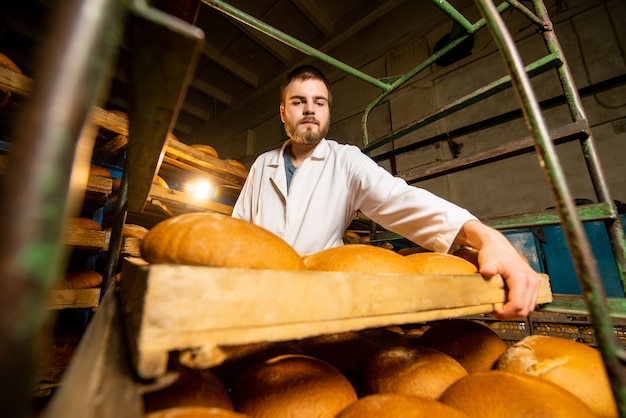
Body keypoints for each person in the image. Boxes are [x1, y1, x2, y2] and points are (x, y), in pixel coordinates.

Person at [232, 65, 541, 320]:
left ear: (328, 112)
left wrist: (486, 237)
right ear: (284, 112)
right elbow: (238, 231)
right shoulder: (262, 166)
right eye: (299, 102)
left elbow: (400, 199)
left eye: (320, 102)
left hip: (322, 303)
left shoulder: (346, 160)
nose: (310, 109)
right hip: (260, 300)